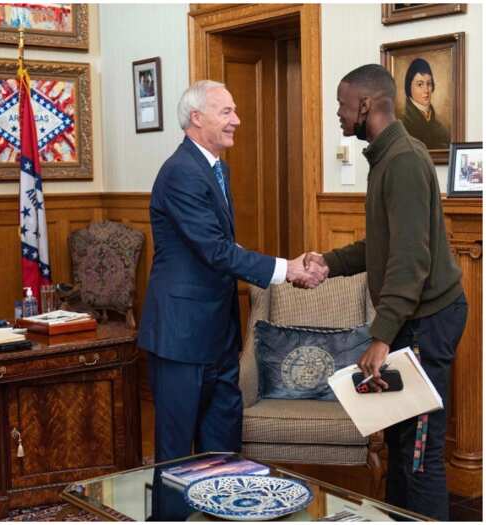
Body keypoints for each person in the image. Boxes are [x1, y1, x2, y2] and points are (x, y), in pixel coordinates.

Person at [305, 64, 466, 520]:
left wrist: (380, 337)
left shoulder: (405, 161)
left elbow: (410, 263)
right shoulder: (385, 158)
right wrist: (326, 263)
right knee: (400, 444)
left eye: (341, 104)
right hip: (410, 321)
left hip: (428, 323)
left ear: (365, 105)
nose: (338, 114)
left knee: (420, 453)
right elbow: (381, 247)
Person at [136, 80, 326, 466]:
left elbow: (221, 247)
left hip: (219, 334)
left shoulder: (215, 170)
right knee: (177, 457)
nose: (237, 120)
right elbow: (214, 251)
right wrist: (286, 269)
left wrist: (281, 266)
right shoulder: (181, 172)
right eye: (226, 112)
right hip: (181, 335)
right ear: (196, 117)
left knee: (222, 447)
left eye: (234, 111)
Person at [399, 58, 449, 150]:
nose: (426, 90)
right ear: (409, 86)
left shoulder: (441, 128)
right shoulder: (402, 126)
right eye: (420, 84)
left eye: (429, 84)